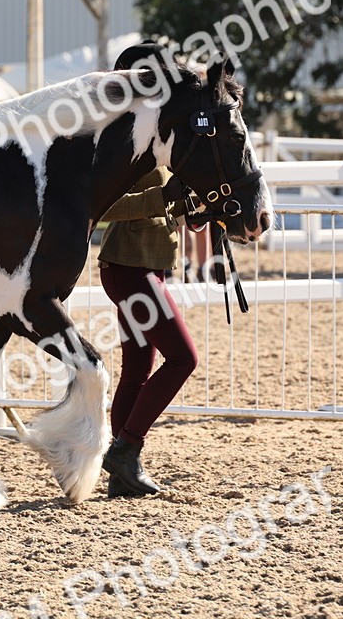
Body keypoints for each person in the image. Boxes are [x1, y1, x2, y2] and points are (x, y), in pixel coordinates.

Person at [99, 42, 200, 497]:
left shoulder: (154, 131)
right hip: (129, 268)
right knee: (184, 358)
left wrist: (188, 209)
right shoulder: (120, 139)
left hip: (145, 266)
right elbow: (105, 207)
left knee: (139, 368)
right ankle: (126, 448)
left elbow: (165, 203)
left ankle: (122, 467)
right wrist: (165, 200)